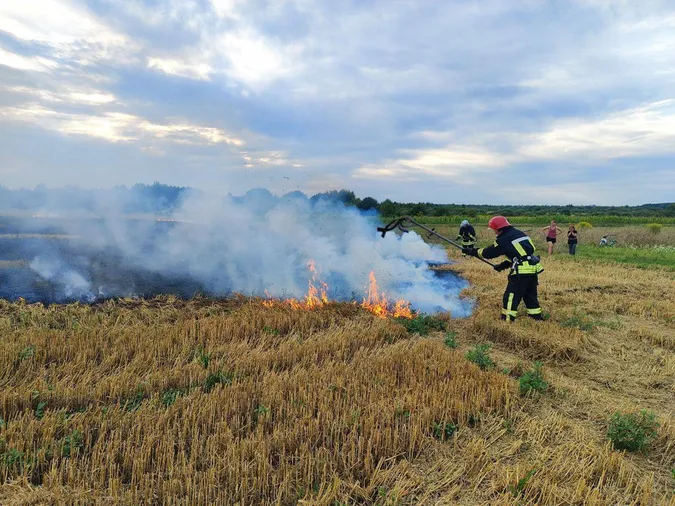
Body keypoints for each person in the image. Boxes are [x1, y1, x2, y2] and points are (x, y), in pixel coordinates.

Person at [463, 216, 544, 321]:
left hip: (521, 272)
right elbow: (521, 253)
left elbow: (489, 253)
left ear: (499, 228)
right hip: (532, 269)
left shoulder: (504, 239)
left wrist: (473, 251)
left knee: (510, 296)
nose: (494, 232)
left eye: (494, 230)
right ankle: (536, 317)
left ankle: (507, 320)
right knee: (530, 295)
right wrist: (504, 265)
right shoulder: (519, 234)